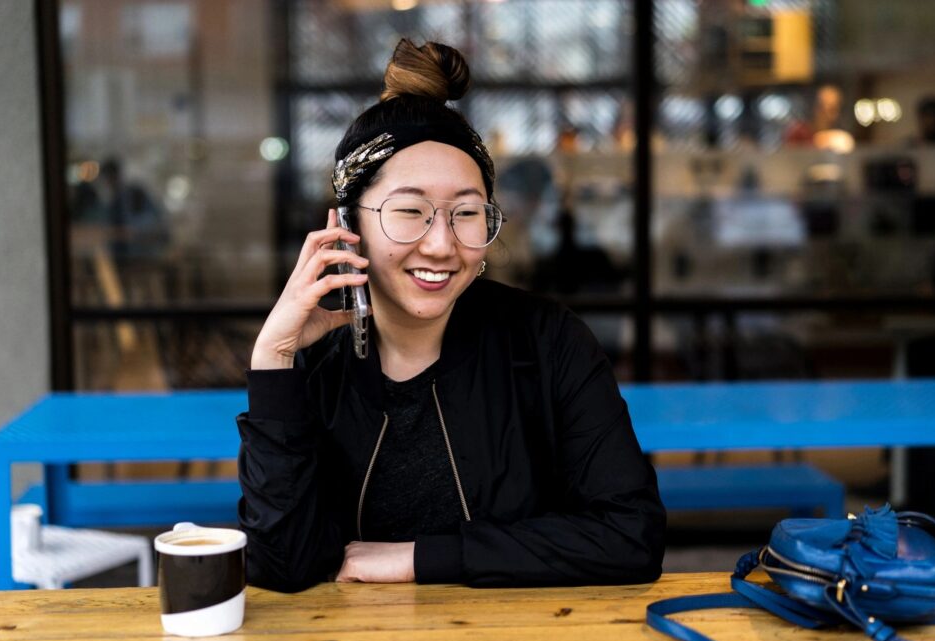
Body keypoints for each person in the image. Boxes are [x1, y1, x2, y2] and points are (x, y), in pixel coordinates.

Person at [236, 39, 667, 591]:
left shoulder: (546, 342)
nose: (441, 245)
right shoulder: (317, 366)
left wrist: (420, 558)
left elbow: (631, 536)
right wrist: (272, 363)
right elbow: (282, 568)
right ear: (349, 223)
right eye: (410, 211)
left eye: (465, 213)